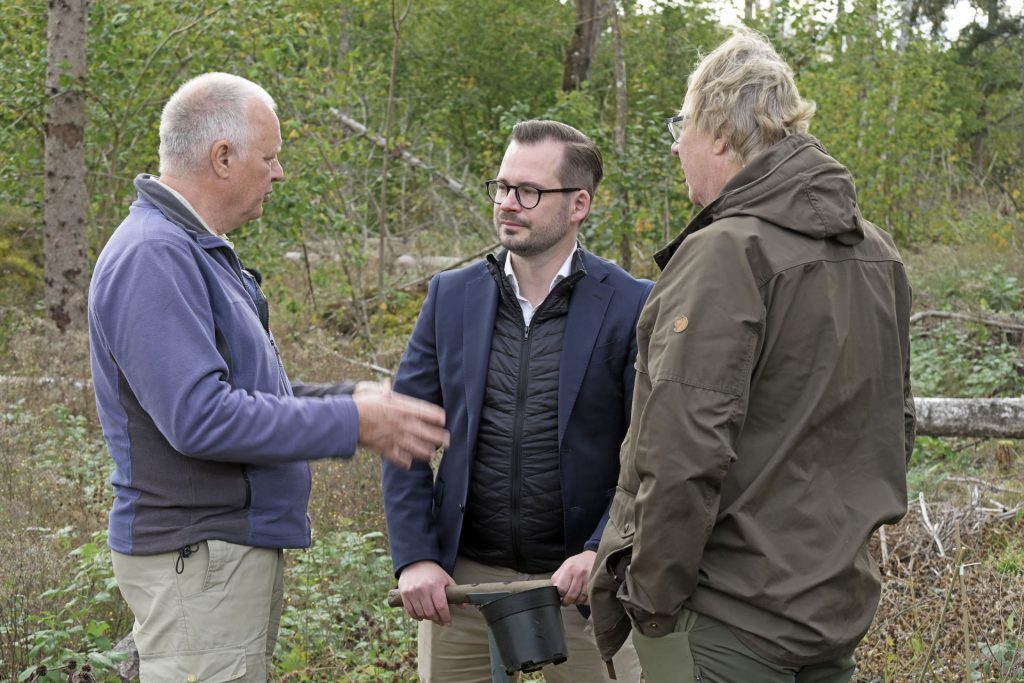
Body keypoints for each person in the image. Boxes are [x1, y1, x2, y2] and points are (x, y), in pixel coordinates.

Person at [88, 72, 449, 682]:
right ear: (222, 157)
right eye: (271, 156)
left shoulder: (196, 249)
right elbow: (200, 418)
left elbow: (245, 397)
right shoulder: (155, 254)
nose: (279, 172)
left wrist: (350, 398)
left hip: (214, 562)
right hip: (198, 561)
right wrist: (353, 421)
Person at [589, 29, 916, 683]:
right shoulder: (877, 254)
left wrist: (648, 601)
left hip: (725, 625)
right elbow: (894, 430)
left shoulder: (724, 254)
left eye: (680, 126)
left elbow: (681, 453)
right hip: (830, 614)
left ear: (717, 130)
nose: (676, 146)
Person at [382, 119, 651, 682]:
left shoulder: (632, 305)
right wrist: (416, 557)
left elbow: (648, 451)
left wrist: (603, 548)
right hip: (461, 583)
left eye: (529, 192)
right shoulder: (450, 296)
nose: (508, 203)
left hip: (578, 584)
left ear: (579, 204)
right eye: (503, 187)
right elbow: (401, 433)